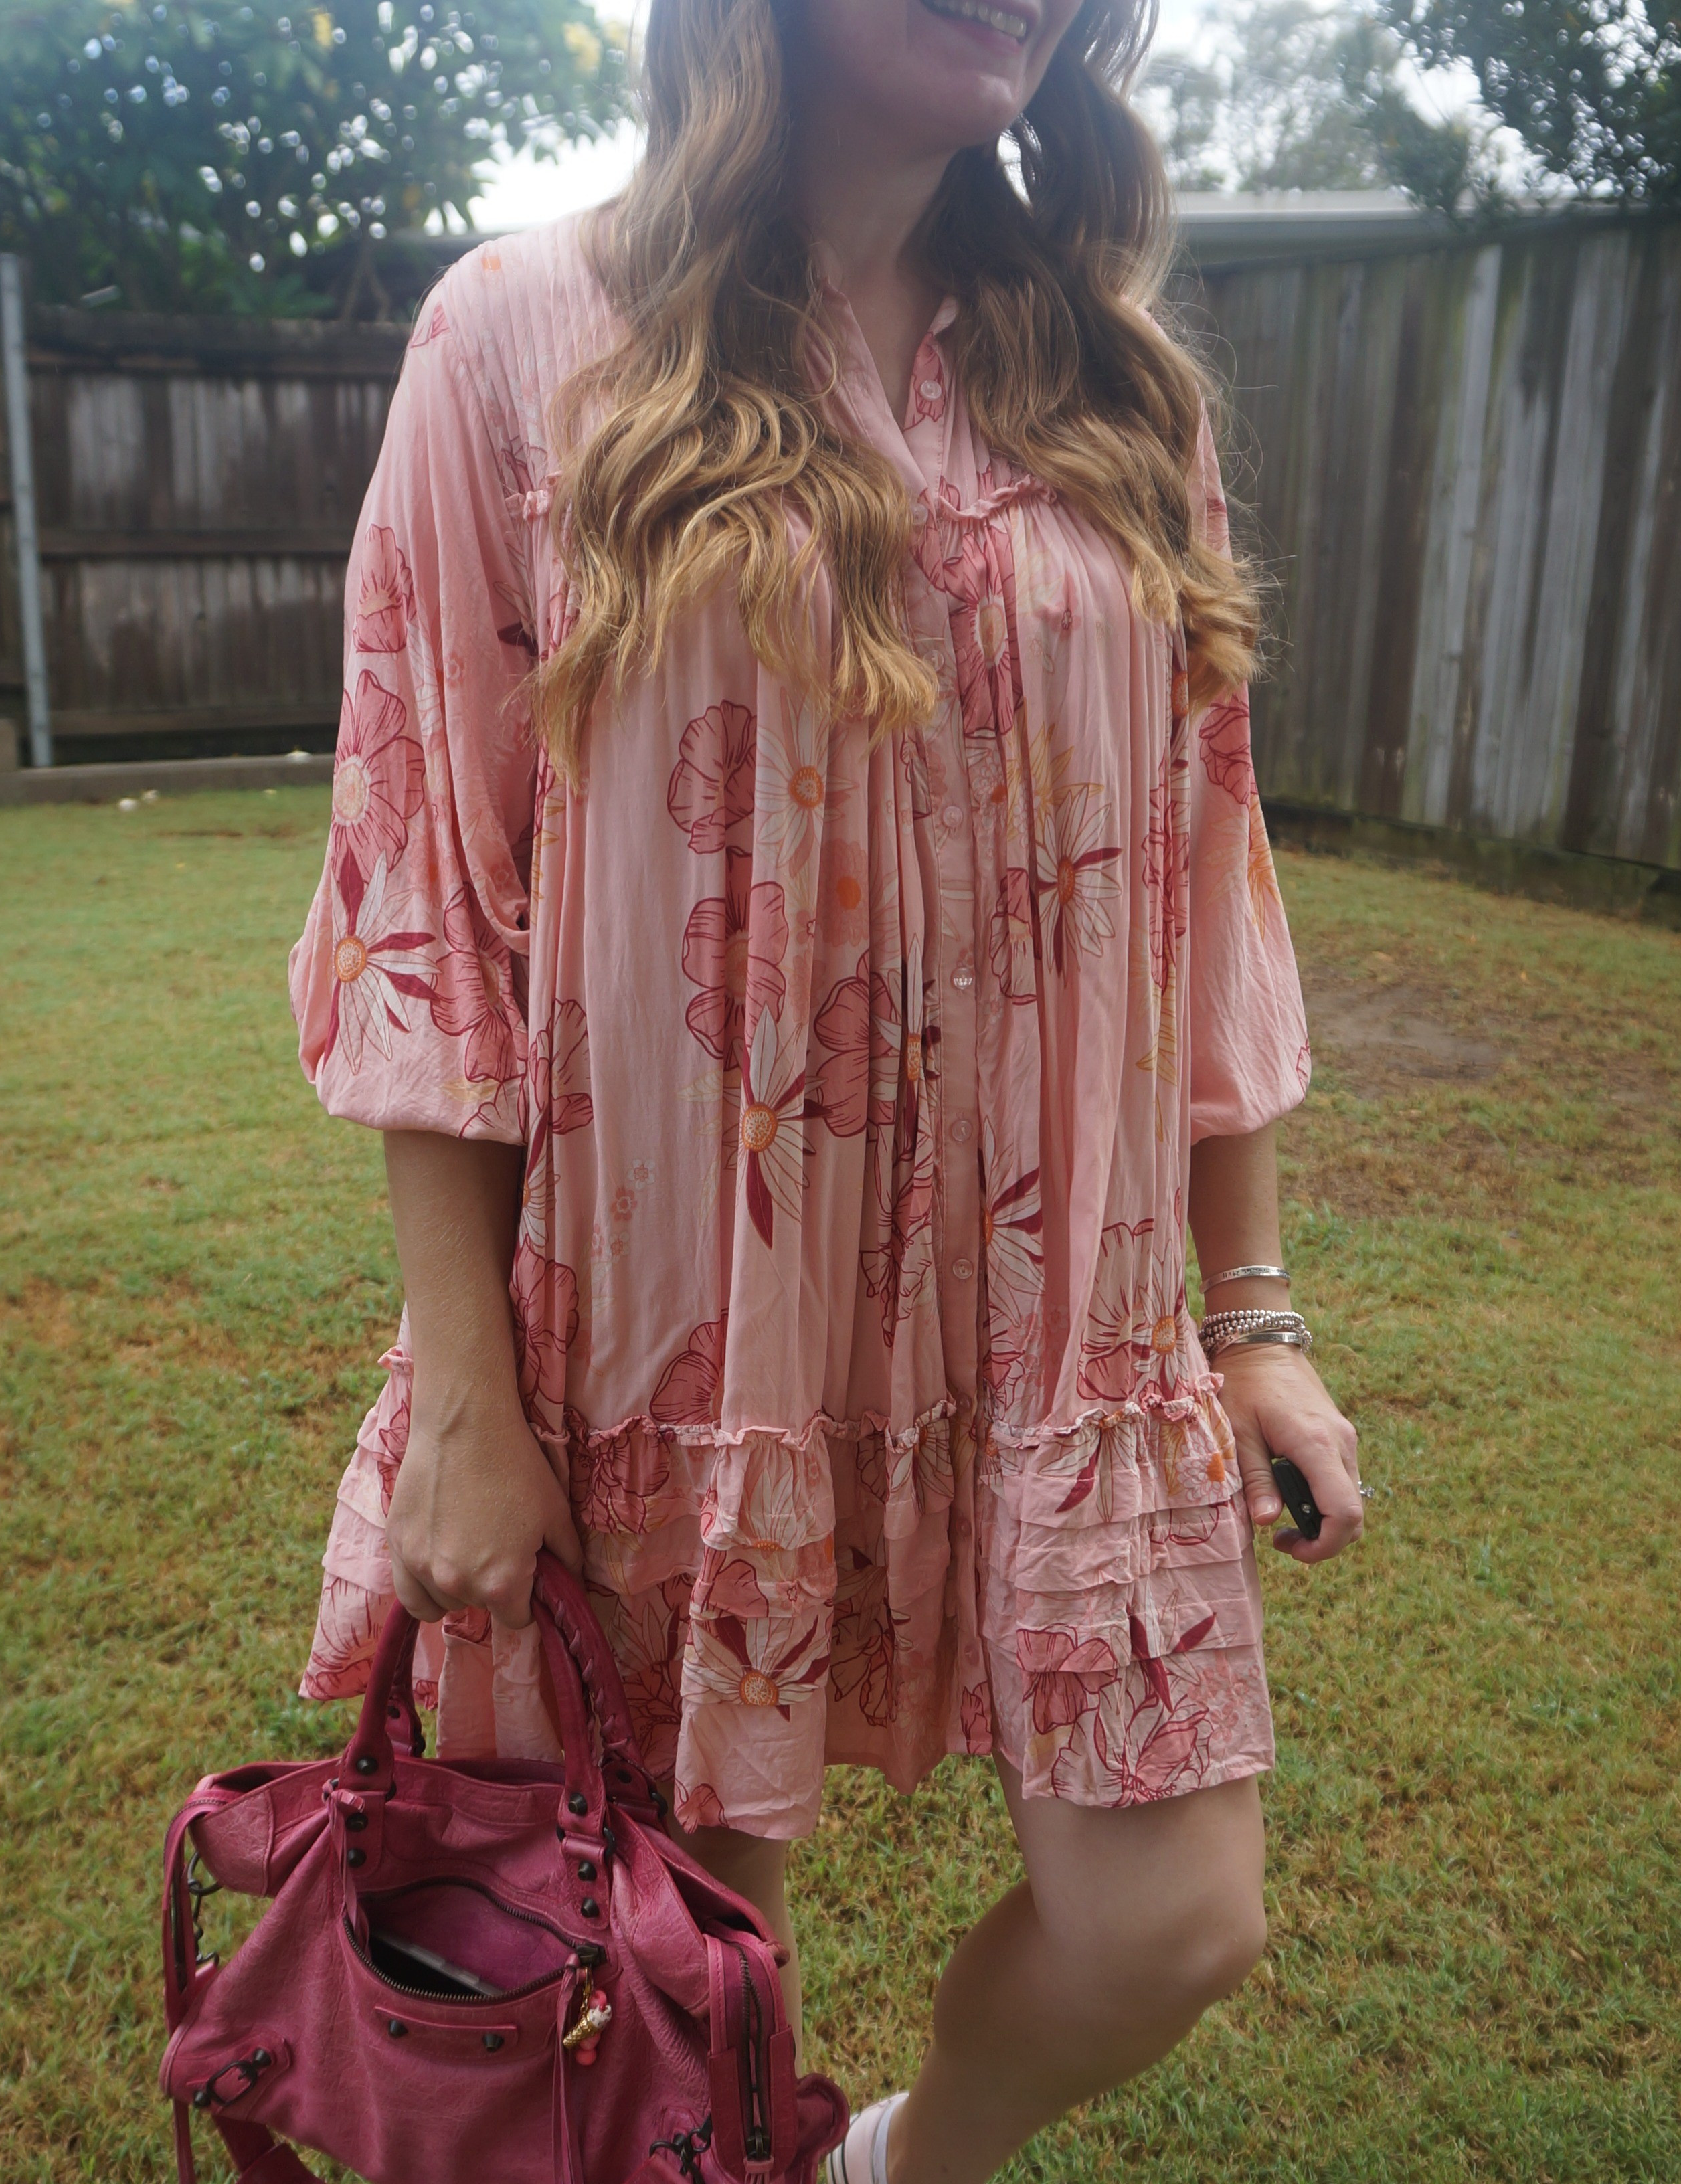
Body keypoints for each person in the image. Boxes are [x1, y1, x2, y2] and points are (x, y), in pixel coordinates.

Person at [288, 0, 1365, 2175]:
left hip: (1065, 1328)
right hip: (686, 1336)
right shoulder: (521, 340)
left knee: (1172, 1918)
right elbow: (432, 889)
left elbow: (1201, 869)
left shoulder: (1112, 388)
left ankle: (888, 2166)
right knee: (673, 1996)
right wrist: (471, 1403)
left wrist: (1250, 1319)